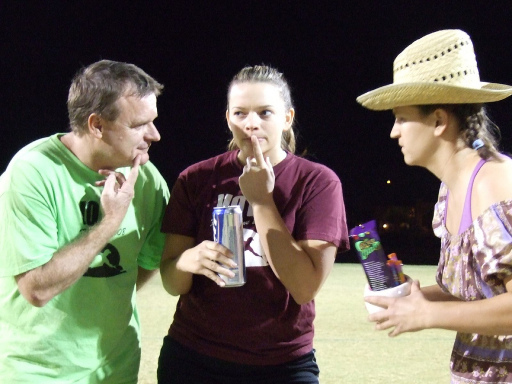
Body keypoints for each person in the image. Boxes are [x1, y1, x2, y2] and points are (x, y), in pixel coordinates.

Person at [158, 65, 349, 383]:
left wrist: (261, 201)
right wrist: (188, 261)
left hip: (282, 362)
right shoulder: (196, 179)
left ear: (287, 117)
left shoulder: (317, 182)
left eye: (265, 113)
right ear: (228, 118)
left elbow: (304, 288)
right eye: (240, 113)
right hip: (194, 358)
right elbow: (171, 281)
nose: (251, 124)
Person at [357, 29, 512, 383]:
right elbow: (479, 295)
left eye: (400, 117)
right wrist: (413, 297)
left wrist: (427, 314)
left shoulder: (494, 183)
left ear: (439, 120)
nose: (394, 132)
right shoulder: (450, 191)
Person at [0, 60, 169, 383]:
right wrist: (109, 224)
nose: (154, 135)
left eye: (154, 121)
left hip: (115, 368)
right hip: (37, 371)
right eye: (138, 124)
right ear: (97, 125)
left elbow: (149, 260)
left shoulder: (146, 179)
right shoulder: (32, 174)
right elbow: (36, 289)